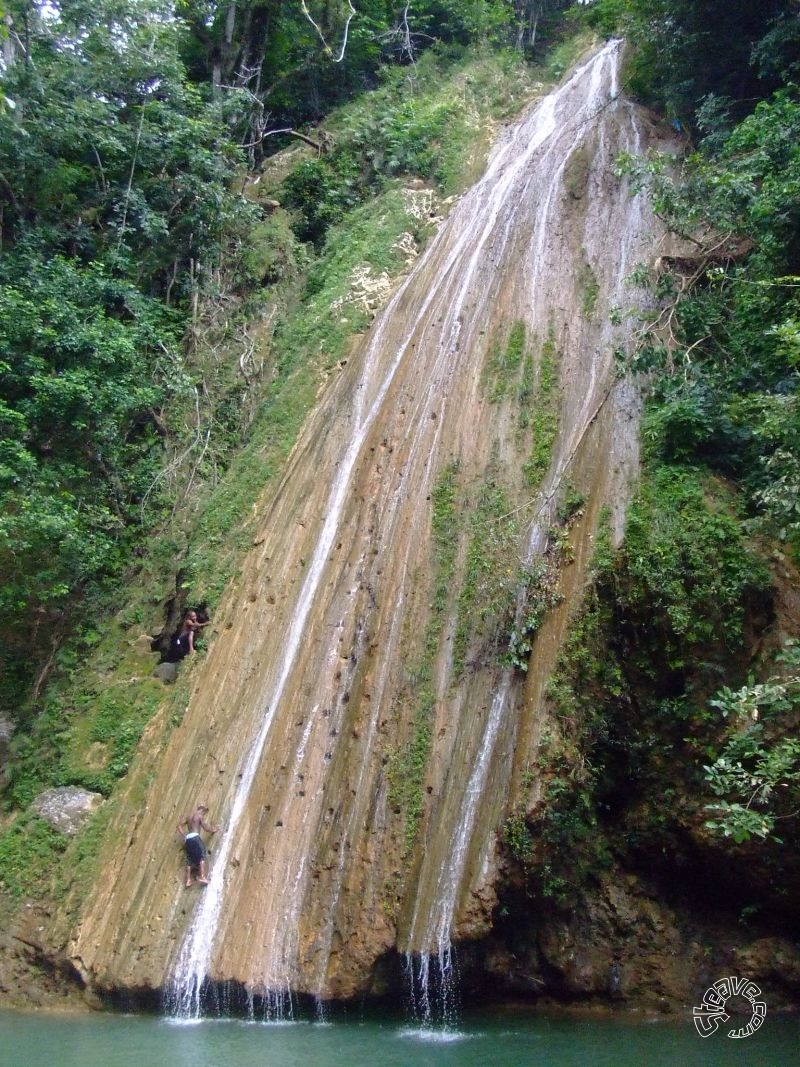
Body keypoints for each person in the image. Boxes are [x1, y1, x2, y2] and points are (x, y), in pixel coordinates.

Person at [177, 804, 219, 888]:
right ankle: (202, 876)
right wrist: (214, 830)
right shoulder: (199, 816)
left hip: (188, 839)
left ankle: (188, 880)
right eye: (205, 812)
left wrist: (184, 835)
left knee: (189, 858)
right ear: (202, 810)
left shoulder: (189, 817)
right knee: (202, 855)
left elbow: (178, 826)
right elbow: (206, 828)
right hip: (195, 837)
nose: (204, 814)